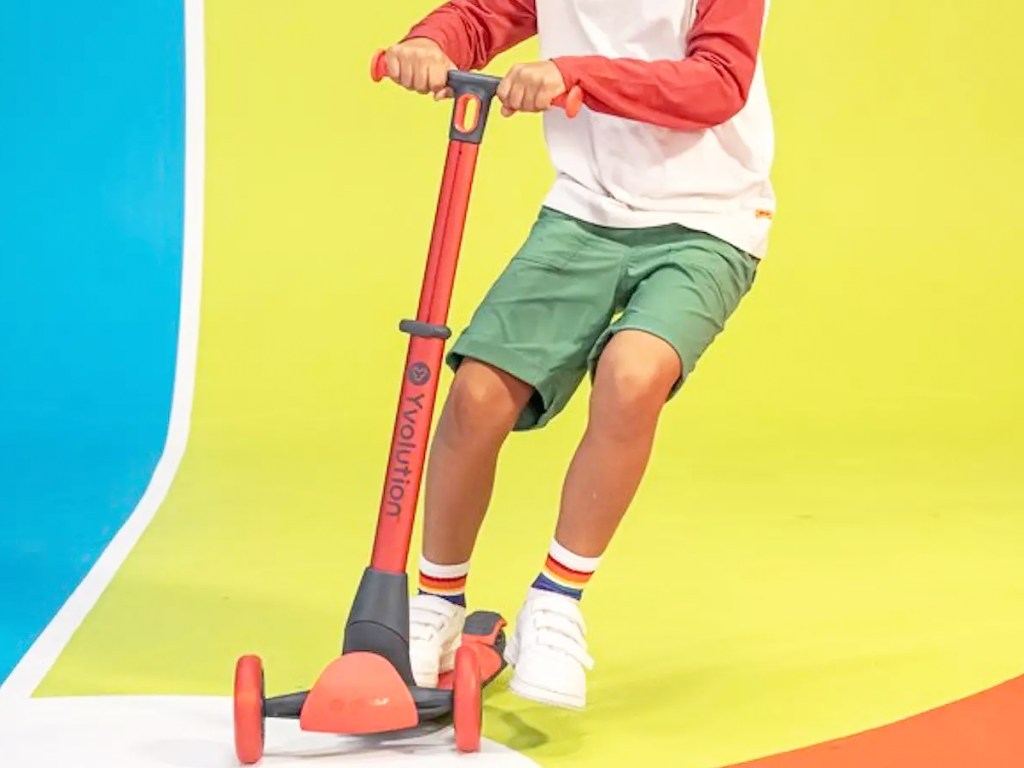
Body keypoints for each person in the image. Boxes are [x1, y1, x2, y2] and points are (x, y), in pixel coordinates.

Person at [381, 0, 774, 710]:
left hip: (710, 219)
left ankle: (556, 602)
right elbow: (480, 16)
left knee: (633, 374)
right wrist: (429, 44)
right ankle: (436, 603)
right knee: (476, 393)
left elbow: (717, 83)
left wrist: (574, 75)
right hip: (585, 212)